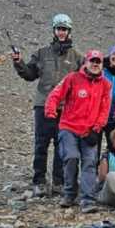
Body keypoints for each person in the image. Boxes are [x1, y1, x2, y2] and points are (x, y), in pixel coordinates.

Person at [12, 13, 82, 198]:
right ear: (54, 30)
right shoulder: (42, 53)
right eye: (59, 28)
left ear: (69, 31)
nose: (61, 32)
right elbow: (29, 74)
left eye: (65, 29)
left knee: (62, 146)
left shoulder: (77, 57)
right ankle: (39, 182)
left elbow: (84, 79)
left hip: (65, 108)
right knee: (41, 144)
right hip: (43, 105)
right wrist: (18, 62)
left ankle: (59, 182)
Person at [44, 50, 112, 213]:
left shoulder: (105, 84)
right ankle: (69, 193)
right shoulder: (72, 78)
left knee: (89, 162)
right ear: (86, 62)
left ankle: (88, 199)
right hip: (69, 127)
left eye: (98, 61)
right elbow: (55, 95)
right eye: (92, 61)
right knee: (72, 157)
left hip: (89, 131)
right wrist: (50, 111)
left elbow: (105, 108)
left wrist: (97, 128)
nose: (95, 64)